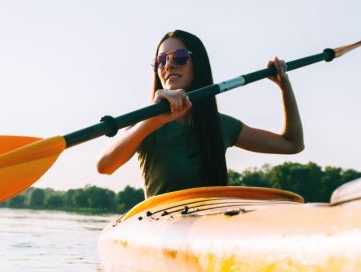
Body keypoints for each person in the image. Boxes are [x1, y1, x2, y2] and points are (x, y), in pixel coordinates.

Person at [97, 30, 304, 198]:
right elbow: (105, 166)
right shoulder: (145, 123)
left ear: (198, 65)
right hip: (162, 225)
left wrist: (285, 87)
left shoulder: (221, 125)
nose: (168, 65)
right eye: (161, 60)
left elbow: (292, 144)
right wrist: (154, 119)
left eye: (179, 57)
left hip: (210, 223)